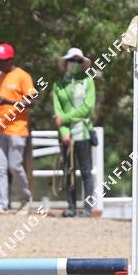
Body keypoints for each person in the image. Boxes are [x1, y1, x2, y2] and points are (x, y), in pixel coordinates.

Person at [0, 43, 37, 215]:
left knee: (15, 166)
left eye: (3, 60)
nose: (0, 63)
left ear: (11, 59)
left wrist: (8, 102)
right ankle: (2, 204)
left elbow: (32, 101)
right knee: (0, 168)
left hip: (17, 129)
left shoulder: (22, 76)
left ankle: (25, 200)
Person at [52, 47, 95, 217]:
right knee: (68, 170)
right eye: (72, 60)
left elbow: (87, 108)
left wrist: (65, 119)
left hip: (83, 132)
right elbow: (57, 111)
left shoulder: (88, 82)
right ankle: (71, 206)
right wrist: (64, 132)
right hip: (66, 135)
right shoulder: (58, 85)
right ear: (66, 63)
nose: (74, 63)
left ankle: (88, 208)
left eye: (78, 61)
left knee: (86, 171)